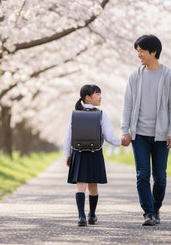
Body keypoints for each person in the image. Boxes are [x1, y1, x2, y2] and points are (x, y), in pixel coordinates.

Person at [121, 34, 171, 226]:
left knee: (160, 177)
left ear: (154, 52)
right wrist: (125, 129)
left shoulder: (169, 75)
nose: (139, 55)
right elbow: (127, 104)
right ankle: (149, 212)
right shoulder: (135, 76)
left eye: (142, 51)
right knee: (142, 175)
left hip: (161, 135)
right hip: (139, 134)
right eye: (138, 51)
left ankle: (155, 207)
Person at [63, 84, 122, 226]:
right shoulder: (101, 114)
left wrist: (68, 154)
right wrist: (121, 142)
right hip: (95, 153)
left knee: (81, 186)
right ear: (88, 98)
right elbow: (109, 136)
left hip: (79, 152)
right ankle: (92, 215)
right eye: (98, 94)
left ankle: (81, 216)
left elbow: (68, 137)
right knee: (93, 185)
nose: (101, 97)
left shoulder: (75, 114)